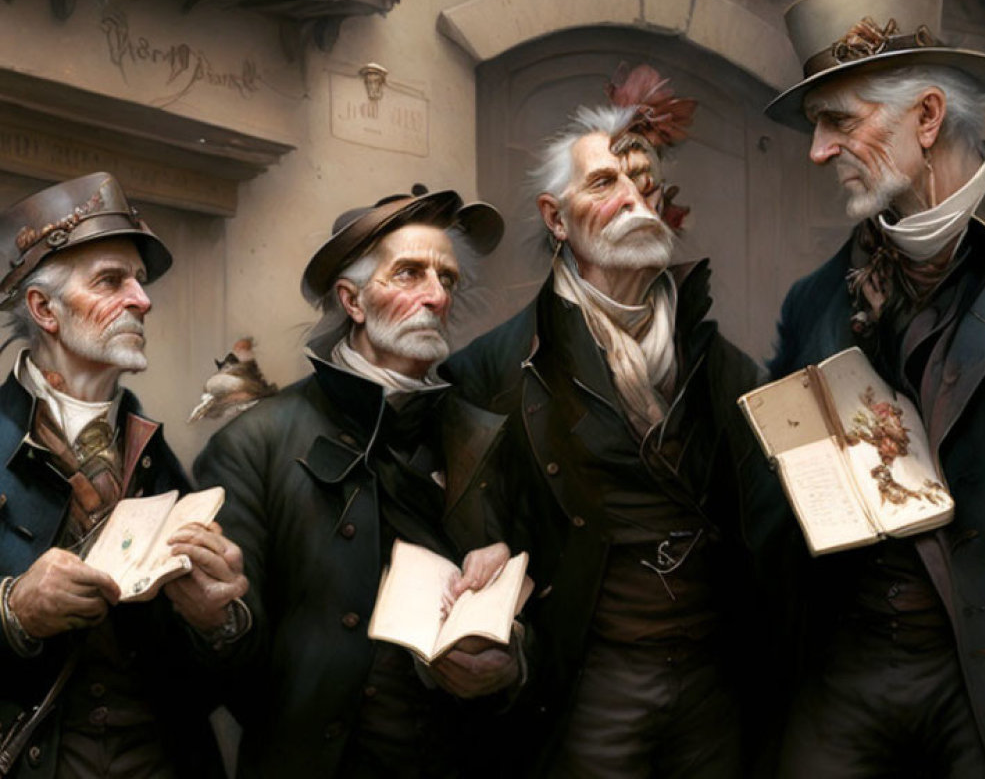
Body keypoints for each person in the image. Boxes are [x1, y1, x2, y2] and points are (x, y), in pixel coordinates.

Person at [445, 66, 776, 778]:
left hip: (714, 682)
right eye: (604, 184)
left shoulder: (725, 367)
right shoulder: (492, 369)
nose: (634, 199)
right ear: (555, 218)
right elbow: (475, 536)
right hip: (590, 683)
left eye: (645, 184)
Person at [193, 187, 524, 778]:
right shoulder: (253, 444)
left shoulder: (488, 437)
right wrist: (218, 618)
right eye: (410, 273)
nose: (436, 296)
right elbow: (220, 669)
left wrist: (515, 659)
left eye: (447, 279)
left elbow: (549, 603)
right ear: (352, 300)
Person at [764, 0, 985, 776]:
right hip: (849, 661)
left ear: (927, 118)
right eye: (815, 126)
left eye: (840, 121)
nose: (818, 151)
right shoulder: (813, 302)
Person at [0, 172, 248, 779]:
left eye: (139, 280)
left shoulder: (161, 459)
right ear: (43, 309)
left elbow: (225, 681)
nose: (143, 299)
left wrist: (222, 620)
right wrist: (13, 612)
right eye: (113, 280)